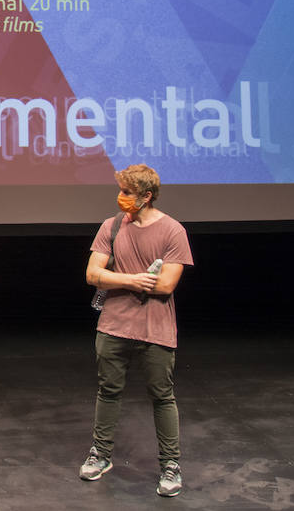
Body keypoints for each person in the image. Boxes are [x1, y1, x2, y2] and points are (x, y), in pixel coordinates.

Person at [79, 163, 194, 498]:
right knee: (108, 391)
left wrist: (115, 278)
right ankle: (100, 454)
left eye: (128, 192)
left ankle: (171, 464)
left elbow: (166, 284)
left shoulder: (173, 231)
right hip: (114, 324)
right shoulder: (111, 226)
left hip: (155, 327)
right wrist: (131, 279)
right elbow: (91, 274)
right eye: (121, 190)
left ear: (146, 196)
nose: (122, 197)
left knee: (162, 395)